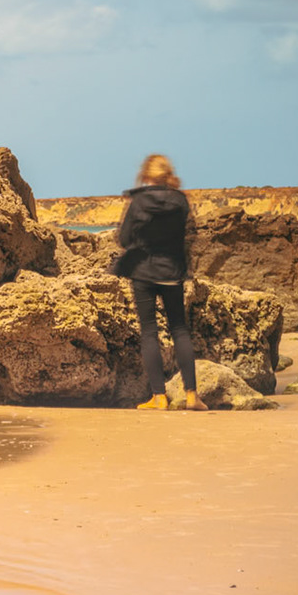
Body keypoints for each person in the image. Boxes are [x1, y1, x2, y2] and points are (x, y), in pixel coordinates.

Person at [115, 153, 206, 411]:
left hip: (143, 272)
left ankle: (159, 397)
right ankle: (191, 396)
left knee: (149, 332)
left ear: (145, 176)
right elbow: (189, 235)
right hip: (173, 272)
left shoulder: (139, 201)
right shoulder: (180, 201)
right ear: (168, 175)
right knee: (180, 329)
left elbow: (123, 238)